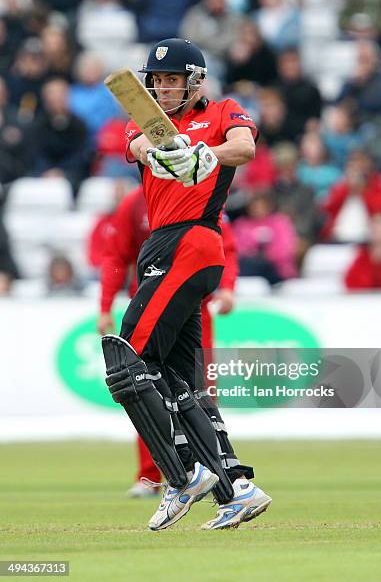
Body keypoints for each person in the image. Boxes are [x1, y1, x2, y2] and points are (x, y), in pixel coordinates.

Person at [101, 38, 271, 531]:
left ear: (195, 80)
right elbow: (136, 141)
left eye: (172, 79)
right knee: (180, 380)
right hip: (164, 247)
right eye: (156, 81)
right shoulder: (148, 121)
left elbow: (245, 145)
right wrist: (160, 153)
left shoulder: (222, 111)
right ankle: (234, 486)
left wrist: (206, 155)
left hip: (192, 240)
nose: (161, 88)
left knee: (126, 357)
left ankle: (179, 476)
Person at [96, 186, 239, 497]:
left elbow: (223, 242)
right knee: (148, 385)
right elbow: (115, 254)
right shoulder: (134, 203)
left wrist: (227, 286)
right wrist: (105, 304)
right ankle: (156, 474)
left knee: (189, 389)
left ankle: (211, 473)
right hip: (153, 303)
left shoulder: (194, 192)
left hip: (194, 305)